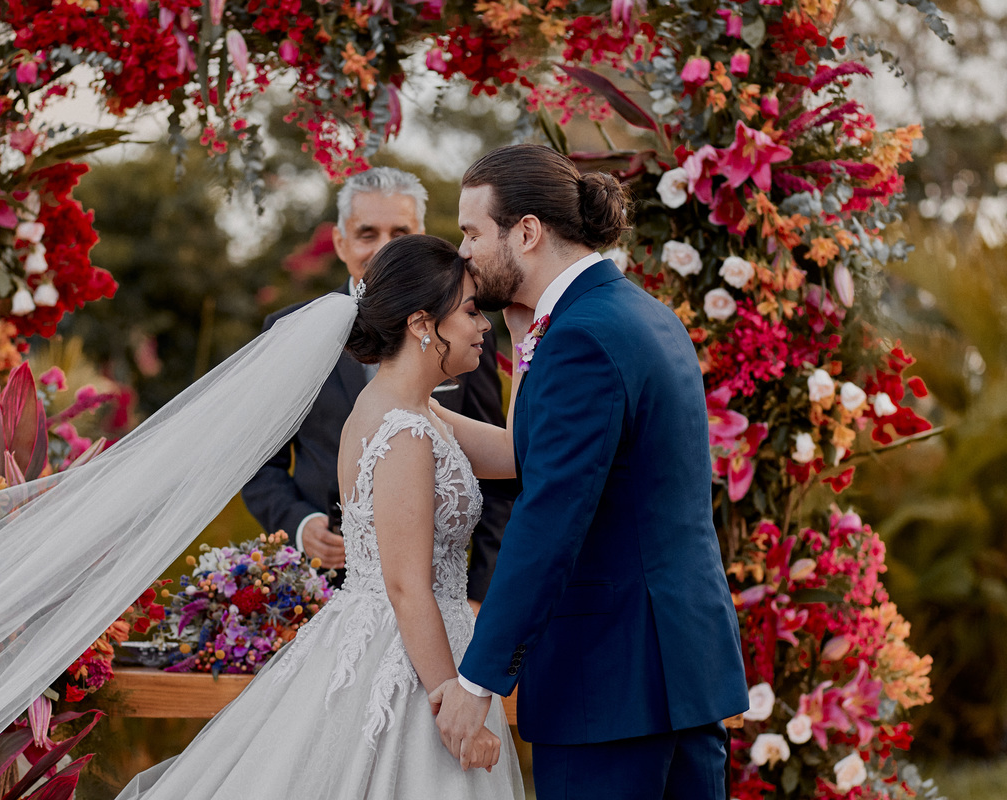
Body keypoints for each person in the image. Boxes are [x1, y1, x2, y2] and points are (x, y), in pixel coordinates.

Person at [114, 234, 524, 798]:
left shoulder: (413, 409)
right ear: (423, 323)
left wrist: (528, 340)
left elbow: (514, 453)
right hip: (412, 657)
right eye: (474, 311)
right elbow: (407, 586)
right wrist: (448, 698)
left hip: (413, 636)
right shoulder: (403, 431)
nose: (485, 327)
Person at [427, 144, 749, 799]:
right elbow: (560, 466)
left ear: (526, 231)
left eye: (471, 232)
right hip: (679, 678)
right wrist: (522, 350)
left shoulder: (581, 339)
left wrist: (478, 680)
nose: (462, 252)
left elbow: (551, 514)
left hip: (610, 686)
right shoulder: (643, 316)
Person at [242, 167, 511, 608]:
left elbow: (498, 481)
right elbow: (255, 461)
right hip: (320, 591)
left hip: (444, 592)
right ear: (340, 241)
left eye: (400, 232)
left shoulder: (465, 332)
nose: (384, 248)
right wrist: (300, 522)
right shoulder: (290, 332)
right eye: (367, 233)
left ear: (420, 237)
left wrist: (481, 595)